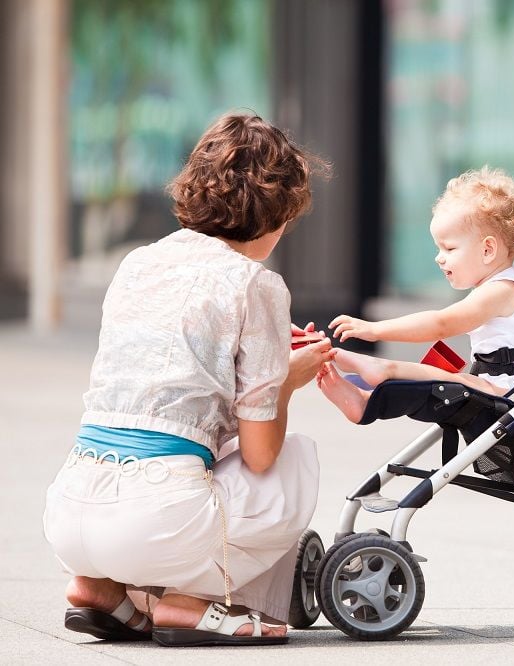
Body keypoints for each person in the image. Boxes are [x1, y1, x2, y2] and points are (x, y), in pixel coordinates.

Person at [42, 113, 334, 647]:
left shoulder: (138, 262)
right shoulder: (257, 284)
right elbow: (261, 454)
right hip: (158, 522)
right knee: (294, 460)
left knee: (188, 456)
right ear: (278, 213)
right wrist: (286, 378)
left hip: (69, 509)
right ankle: (190, 604)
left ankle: (97, 586)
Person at [318, 166, 514, 423]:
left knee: (451, 381)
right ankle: (367, 391)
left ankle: (383, 372)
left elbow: (441, 324)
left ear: (488, 250)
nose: (439, 258)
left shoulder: (502, 291)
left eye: (449, 248)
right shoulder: (497, 289)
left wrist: (374, 329)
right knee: (450, 380)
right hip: (510, 391)